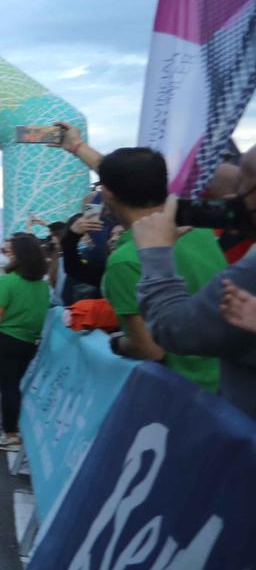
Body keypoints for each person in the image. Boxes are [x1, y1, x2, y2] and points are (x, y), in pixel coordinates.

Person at [96, 146, 226, 393]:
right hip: (229, 383)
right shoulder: (198, 230)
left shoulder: (124, 259)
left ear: (107, 193)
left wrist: (117, 344)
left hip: (185, 397)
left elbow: (149, 349)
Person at [130, 198, 256, 417]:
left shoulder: (121, 261)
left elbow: (173, 329)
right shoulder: (206, 236)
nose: (229, 199)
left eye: (242, 189)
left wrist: (155, 254)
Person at [0, 233, 51, 450]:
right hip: (29, 342)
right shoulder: (42, 284)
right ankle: (12, 430)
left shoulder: (7, 280)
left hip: (5, 339)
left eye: (8, 252)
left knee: (8, 388)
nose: (5, 255)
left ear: (19, 255)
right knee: (14, 387)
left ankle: (10, 434)